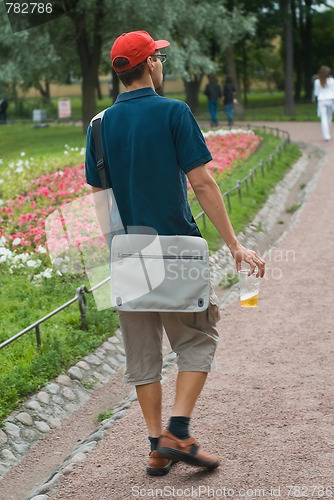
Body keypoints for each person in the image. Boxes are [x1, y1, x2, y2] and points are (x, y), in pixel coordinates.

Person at [85, 30, 265, 477]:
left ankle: (155, 448)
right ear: (149, 65)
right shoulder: (174, 112)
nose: (162, 63)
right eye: (159, 58)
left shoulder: (99, 125)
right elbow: (202, 182)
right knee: (197, 340)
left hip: (127, 253)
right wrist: (234, 244)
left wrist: (118, 253)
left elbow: (100, 199)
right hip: (176, 248)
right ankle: (177, 431)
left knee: (142, 355)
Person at [313, 66, 334, 141]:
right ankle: (327, 133)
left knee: (324, 119)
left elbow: (316, 93)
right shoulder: (331, 80)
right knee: (329, 118)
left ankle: (326, 135)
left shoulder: (317, 81)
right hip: (330, 100)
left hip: (321, 100)